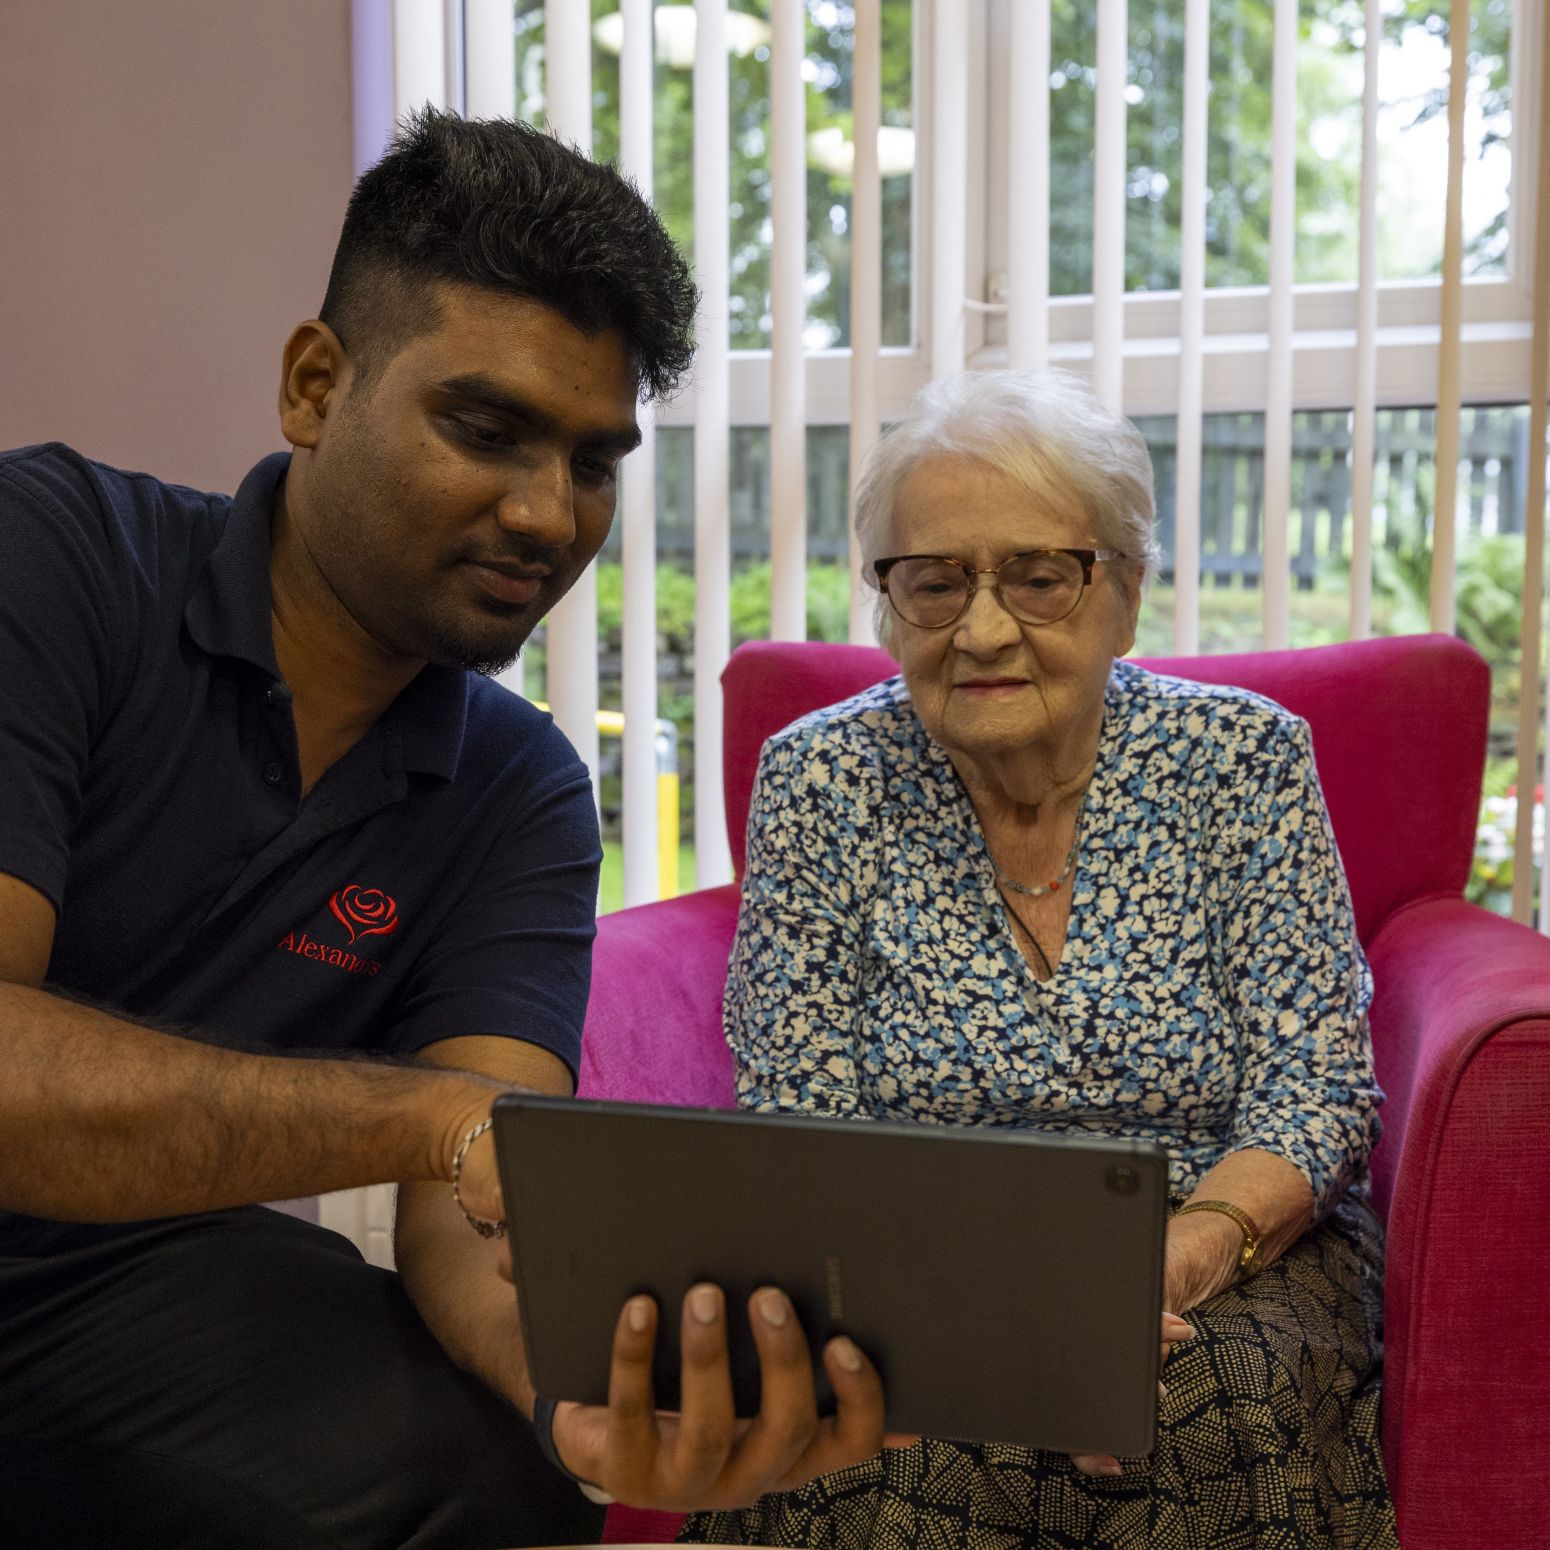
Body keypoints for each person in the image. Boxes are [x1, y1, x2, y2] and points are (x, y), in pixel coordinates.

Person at [0, 109, 887, 1549]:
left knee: (496, 1468)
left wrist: (575, 1399)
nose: (547, 513)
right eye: (486, 429)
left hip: (113, 1290)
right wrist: (428, 1121)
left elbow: (477, 1207)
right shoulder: (51, 556)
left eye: (595, 461)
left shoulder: (519, 787)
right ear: (313, 385)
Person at [682, 370, 1398, 1549]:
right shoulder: (819, 782)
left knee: (1183, 1405)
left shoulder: (1241, 763)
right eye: (933, 580)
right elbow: (799, 1112)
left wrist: (1180, 1252)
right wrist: (963, 1297)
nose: (979, 627)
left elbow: (1315, 1089)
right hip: (906, 1254)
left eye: (1035, 574)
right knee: (883, 1429)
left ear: (1124, 590)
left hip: (1221, 1236)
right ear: (886, 604)